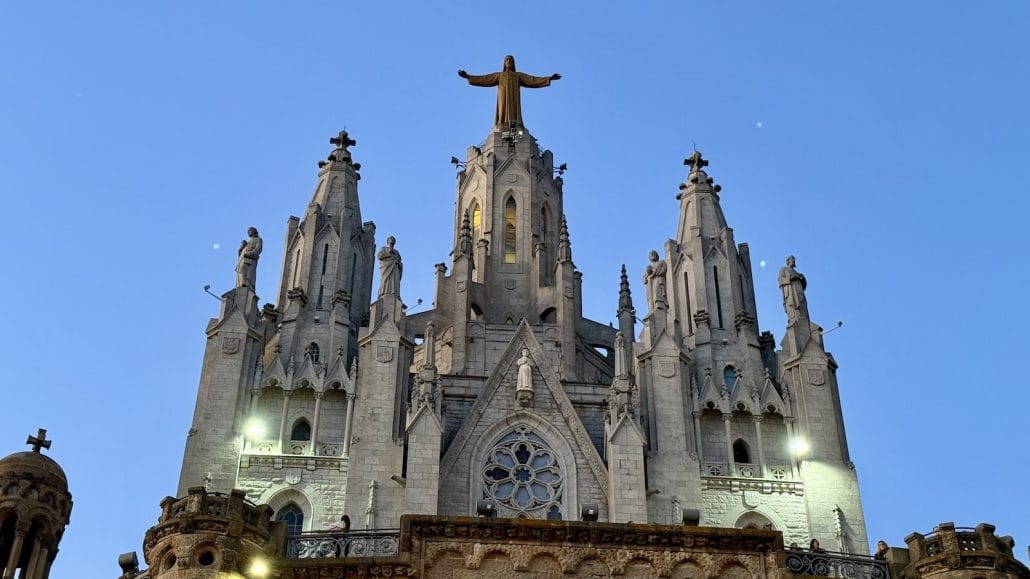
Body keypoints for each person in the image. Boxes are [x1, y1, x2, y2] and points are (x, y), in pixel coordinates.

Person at [458, 55, 561, 128]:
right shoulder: (499, 75)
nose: (509, 61)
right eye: (507, 59)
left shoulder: (518, 75)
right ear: (504, 63)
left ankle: (515, 124)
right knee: (502, 109)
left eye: (511, 59)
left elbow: (532, 79)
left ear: (513, 63)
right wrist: (468, 76)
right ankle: (501, 124)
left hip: (514, 96)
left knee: (514, 109)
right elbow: (485, 78)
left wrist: (549, 78)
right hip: (503, 95)